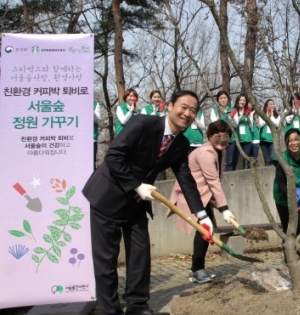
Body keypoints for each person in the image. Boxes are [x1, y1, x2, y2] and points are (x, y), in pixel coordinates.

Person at [82, 90, 214, 315]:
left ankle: (138, 305)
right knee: (106, 259)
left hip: (136, 203)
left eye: (193, 110)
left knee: (140, 255)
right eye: (183, 107)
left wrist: (202, 217)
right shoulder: (142, 123)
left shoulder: (180, 143)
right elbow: (113, 156)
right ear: (169, 105)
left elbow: (186, 180)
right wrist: (137, 184)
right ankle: (109, 309)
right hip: (108, 198)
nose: (187, 113)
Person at [167, 120, 236, 284]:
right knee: (204, 231)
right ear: (210, 136)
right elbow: (213, 181)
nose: (222, 139)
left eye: (226, 136)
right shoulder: (205, 153)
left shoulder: (220, 151)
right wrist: (224, 208)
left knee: (205, 232)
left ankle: (197, 270)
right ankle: (197, 271)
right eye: (218, 136)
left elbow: (215, 179)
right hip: (193, 198)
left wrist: (217, 203)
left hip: (203, 196)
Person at [272, 128, 300, 237]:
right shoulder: (282, 159)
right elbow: (281, 182)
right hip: (284, 198)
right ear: (286, 143)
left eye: (296, 139)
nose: (294, 143)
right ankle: (289, 252)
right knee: (288, 229)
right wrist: (293, 197)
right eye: (290, 141)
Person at [209, 91, 236, 171]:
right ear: (218, 100)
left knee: (230, 161)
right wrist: (219, 115)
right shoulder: (214, 110)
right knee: (219, 161)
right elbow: (214, 124)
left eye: (224, 98)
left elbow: (235, 125)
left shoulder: (233, 110)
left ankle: (230, 180)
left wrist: (232, 117)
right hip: (219, 140)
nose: (223, 100)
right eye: (221, 98)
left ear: (228, 99)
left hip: (231, 139)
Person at [230, 94, 254, 170]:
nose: (242, 102)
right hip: (237, 138)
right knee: (234, 159)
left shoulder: (248, 111)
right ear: (237, 101)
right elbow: (235, 124)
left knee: (246, 160)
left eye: (244, 100)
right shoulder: (234, 110)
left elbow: (251, 126)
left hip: (247, 138)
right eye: (240, 100)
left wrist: (247, 116)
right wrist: (241, 116)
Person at [258, 99, 281, 166]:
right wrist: (267, 116)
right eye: (270, 104)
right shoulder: (262, 115)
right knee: (267, 160)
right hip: (263, 140)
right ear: (266, 106)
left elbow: (277, 124)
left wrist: (272, 117)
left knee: (273, 158)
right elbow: (259, 125)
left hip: (273, 140)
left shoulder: (277, 116)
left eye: (273, 104)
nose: (272, 105)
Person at [248, 100, 260, 166]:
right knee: (248, 157)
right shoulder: (245, 112)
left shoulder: (257, 112)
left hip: (256, 138)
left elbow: (259, 124)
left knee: (255, 158)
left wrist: (255, 116)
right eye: (249, 103)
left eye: (252, 103)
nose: (251, 104)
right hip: (248, 138)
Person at [93, 100, 101, 170]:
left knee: (92, 162)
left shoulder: (95, 104)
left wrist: (91, 111)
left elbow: (97, 120)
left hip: (92, 139)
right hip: (78, 139)